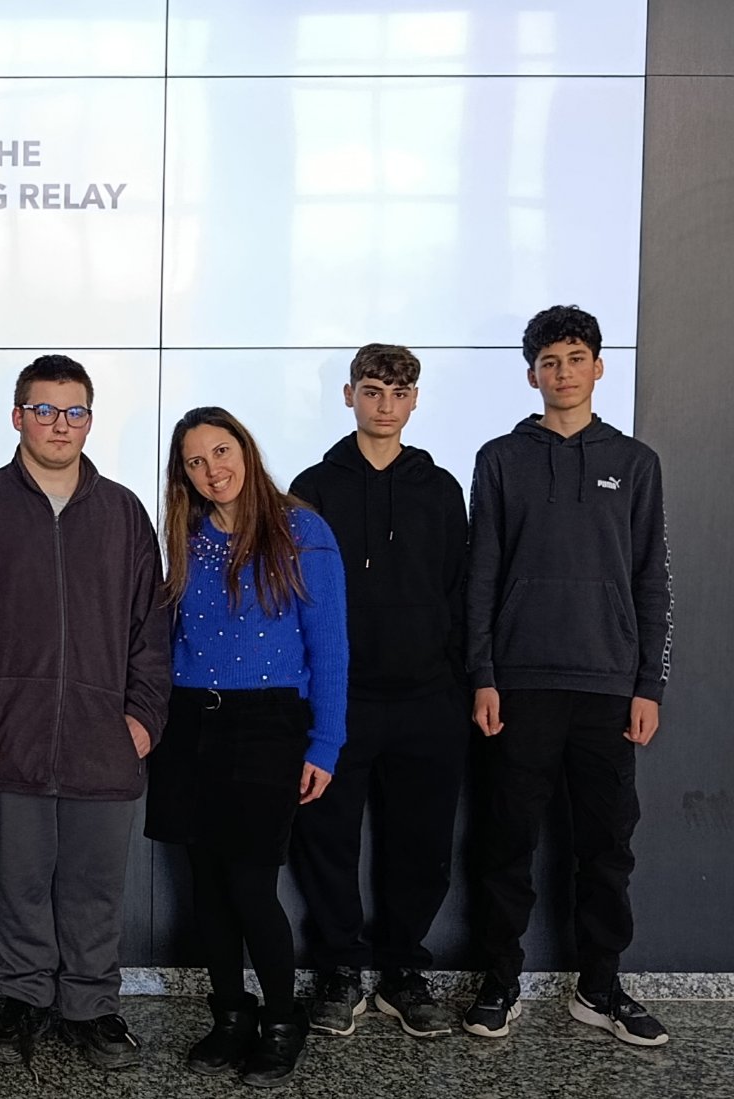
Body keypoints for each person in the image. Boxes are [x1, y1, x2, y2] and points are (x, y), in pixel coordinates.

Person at [0, 355, 169, 1075]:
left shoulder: (124, 513)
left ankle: (91, 1006)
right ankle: (22, 1001)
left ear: (90, 421)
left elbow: (152, 629)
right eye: (44, 410)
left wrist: (144, 717)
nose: (59, 425)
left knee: (94, 888)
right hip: (6, 737)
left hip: (106, 741)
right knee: (18, 883)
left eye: (74, 412)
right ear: (18, 418)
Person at [462, 306, 672, 1046]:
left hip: (609, 686)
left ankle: (600, 986)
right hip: (518, 683)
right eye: (549, 361)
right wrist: (482, 673)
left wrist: (649, 685)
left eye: (576, 358)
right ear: (532, 375)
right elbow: (481, 574)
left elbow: (651, 579)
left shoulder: (636, 463)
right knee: (506, 841)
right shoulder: (499, 459)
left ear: (598, 367)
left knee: (607, 847)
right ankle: (500, 981)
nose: (563, 372)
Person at [145, 406, 347, 1088]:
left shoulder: (302, 530)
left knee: (250, 884)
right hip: (190, 721)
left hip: (269, 723)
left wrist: (326, 743)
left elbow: (330, 648)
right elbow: (172, 636)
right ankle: (231, 1015)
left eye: (222, 451)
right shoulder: (187, 536)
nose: (213, 469)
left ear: (246, 449)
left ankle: (282, 1021)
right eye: (196, 461)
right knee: (206, 885)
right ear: (184, 475)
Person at [287, 345, 468, 1041]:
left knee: (420, 846)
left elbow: (458, 588)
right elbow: (296, 595)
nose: (384, 404)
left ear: (415, 400)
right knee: (326, 840)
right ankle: (340, 970)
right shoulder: (313, 486)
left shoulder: (440, 488)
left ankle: (401, 973)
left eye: (398, 392)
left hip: (428, 699)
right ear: (349, 395)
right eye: (371, 390)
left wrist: (457, 681)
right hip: (340, 700)